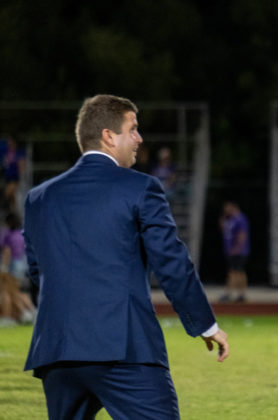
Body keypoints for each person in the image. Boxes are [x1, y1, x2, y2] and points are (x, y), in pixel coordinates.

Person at [22, 94, 229, 419]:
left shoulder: (39, 197)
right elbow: (172, 262)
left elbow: (39, 271)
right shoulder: (140, 188)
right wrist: (204, 324)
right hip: (122, 347)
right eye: (132, 129)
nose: (139, 138)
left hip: (57, 350)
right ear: (108, 136)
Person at [219, 200, 250, 303]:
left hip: (237, 251)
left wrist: (237, 248)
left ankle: (229, 293)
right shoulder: (230, 219)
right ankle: (241, 294)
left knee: (233, 271)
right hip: (231, 249)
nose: (225, 209)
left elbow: (242, 234)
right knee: (238, 271)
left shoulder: (240, 219)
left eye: (227, 207)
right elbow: (223, 228)